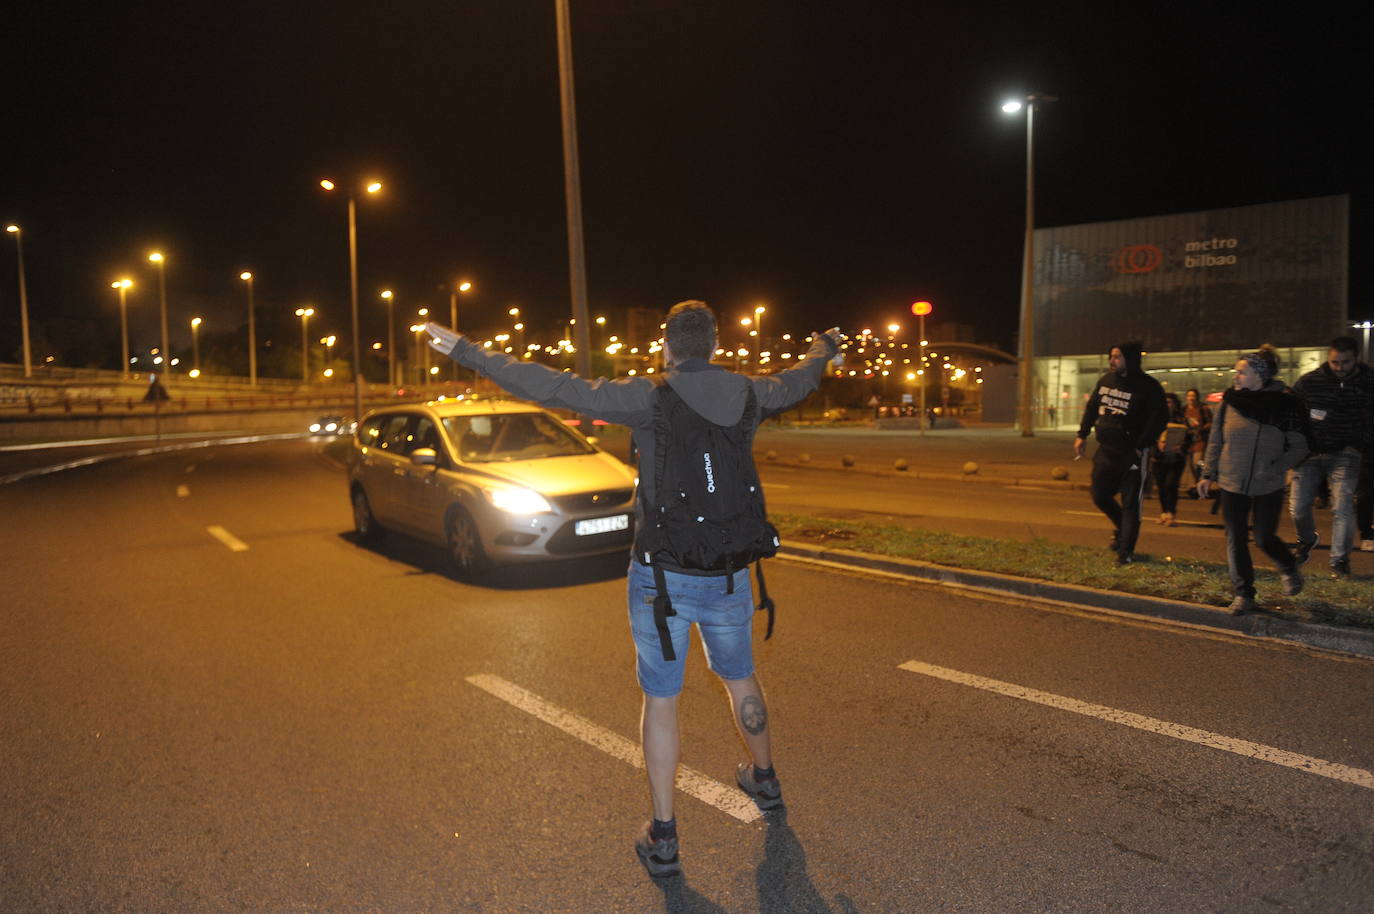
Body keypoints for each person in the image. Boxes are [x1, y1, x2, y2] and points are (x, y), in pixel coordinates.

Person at [424, 302, 840, 878]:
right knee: (739, 674)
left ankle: (665, 835)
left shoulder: (647, 395)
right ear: (715, 345)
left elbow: (555, 387)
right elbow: (802, 378)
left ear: (667, 345)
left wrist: (467, 352)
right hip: (727, 572)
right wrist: (824, 348)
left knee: (661, 698)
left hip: (661, 576)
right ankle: (764, 779)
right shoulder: (751, 393)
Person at [1198, 345, 1310, 614]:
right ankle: (1244, 594)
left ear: (1259, 376)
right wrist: (1207, 474)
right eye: (1236, 372)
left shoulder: (1286, 406)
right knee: (1235, 537)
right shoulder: (1229, 402)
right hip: (1231, 481)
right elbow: (1216, 440)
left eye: (1241, 372)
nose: (1235, 377)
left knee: (1263, 538)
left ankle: (1288, 566)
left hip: (1268, 483)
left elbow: (1300, 446)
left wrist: (1277, 466)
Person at [1074, 342, 1168, 564]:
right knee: (1100, 495)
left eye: (1117, 357)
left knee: (1130, 504)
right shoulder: (1106, 381)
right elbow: (1091, 408)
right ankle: (1121, 529)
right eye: (1111, 356)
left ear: (1130, 359)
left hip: (1132, 455)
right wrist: (1082, 434)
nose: (1112, 361)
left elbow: (1159, 418)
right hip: (1106, 451)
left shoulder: (1148, 387)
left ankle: (1125, 552)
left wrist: (1142, 444)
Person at [1288, 336, 1374, 578]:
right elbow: (1292, 411)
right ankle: (1306, 539)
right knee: (1298, 508)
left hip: (1346, 453)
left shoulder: (1369, 381)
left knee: (1343, 507)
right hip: (1310, 454)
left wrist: (1361, 443)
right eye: (1334, 362)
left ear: (1356, 358)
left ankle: (1339, 561)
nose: (1339, 368)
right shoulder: (1311, 381)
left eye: (1345, 363)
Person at [1152, 392, 1190, 526]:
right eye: (1165, 402)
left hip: (1176, 459)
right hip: (1159, 458)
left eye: (1170, 402)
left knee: (1171, 485)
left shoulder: (1181, 419)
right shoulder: (1155, 418)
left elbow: (1190, 437)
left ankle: (1171, 514)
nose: (1167, 405)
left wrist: (1182, 446)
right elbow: (1148, 436)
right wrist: (1157, 443)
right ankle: (1164, 513)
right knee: (1161, 487)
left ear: (1175, 404)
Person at [1183, 388, 1213, 494]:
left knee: (1198, 462)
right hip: (1189, 441)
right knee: (1190, 464)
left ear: (1197, 397)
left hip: (1200, 440)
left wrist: (1201, 429)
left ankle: (1204, 478)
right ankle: (1195, 485)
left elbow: (1210, 422)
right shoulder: (1184, 409)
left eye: (1193, 396)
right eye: (1189, 396)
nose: (1191, 398)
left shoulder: (1202, 408)